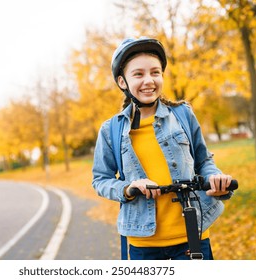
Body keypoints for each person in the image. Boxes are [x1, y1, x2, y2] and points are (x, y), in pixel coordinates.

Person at [92, 37, 234, 260]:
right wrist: (129, 188)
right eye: (138, 74)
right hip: (143, 243)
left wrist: (215, 179)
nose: (148, 80)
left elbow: (204, 161)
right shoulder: (111, 130)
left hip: (192, 236)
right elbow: (100, 180)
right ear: (122, 82)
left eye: (155, 72)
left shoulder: (182, 114)